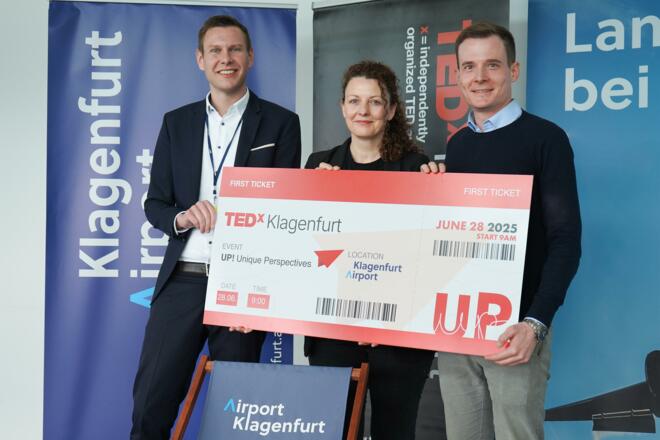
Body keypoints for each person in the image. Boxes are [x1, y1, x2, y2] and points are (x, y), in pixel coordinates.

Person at [131, 15, 301, 439]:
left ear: (250, 56)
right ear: (200, 59)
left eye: (235, 49)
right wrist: (183, 217)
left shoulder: (281, 123)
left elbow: (287, 209)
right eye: (216, 51)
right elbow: (155, 204)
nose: (226, 58)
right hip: (183, 280)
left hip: (243, 285)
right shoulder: (177, 122)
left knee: (235, 415)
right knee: (151, 406)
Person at [422, 22, 581, 439]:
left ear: (513, 70)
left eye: (492, 65)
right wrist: (430, 195)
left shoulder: (546, 139)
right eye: (469, 67)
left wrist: (535, 323)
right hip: (458, 328)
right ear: (458, 75)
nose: (479, 77)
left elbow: (566, 241)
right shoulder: (457, 146)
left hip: (516, 331)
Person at [305, 60, 435, 440]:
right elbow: (303, 251)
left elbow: (426, 257)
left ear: (391, 110)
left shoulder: (418, 168)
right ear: (342, 107)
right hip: (333, 331)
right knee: (334, 431)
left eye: (375, 102)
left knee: (395, 431)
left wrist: (440, 192)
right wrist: (313, 197)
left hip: (397, 335)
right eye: (354, 101)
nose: (363, 110)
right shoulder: (319, 166)